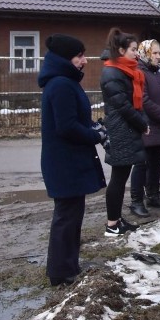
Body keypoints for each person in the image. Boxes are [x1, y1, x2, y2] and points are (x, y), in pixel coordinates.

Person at [39, 34, 107, 286]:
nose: (85, 60)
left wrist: (93, 128)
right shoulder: (60, 85)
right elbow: (66, 127)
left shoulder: (65, 83)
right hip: (64, 163)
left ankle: (68, 265)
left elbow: (75, 119)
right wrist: (94, 136)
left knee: (71, 215)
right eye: (79, 56)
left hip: (68, 161)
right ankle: (60, 272)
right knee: (66, 217)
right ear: (65, 59)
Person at [100, 28, 149, 236]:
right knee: (118, 179)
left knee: (121, 177)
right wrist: (142, 124)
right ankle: (112, 225)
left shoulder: (126, 71)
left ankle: (117, 219)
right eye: (133, 50)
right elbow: (123, 106)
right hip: (121, 131)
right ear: (120, 50)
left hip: (127, 130)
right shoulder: (112, 72)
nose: (136, 54)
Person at [128, 39, 160, 217]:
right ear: (146, 53)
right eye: (155, 53)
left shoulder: (158, 72)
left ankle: (154, 194)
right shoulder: (140, 72)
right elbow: (144, 99)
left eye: (159, 53)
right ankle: (136, 200)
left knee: (156, 161)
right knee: (142, 163)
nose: (159, 57)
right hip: (147, 125)